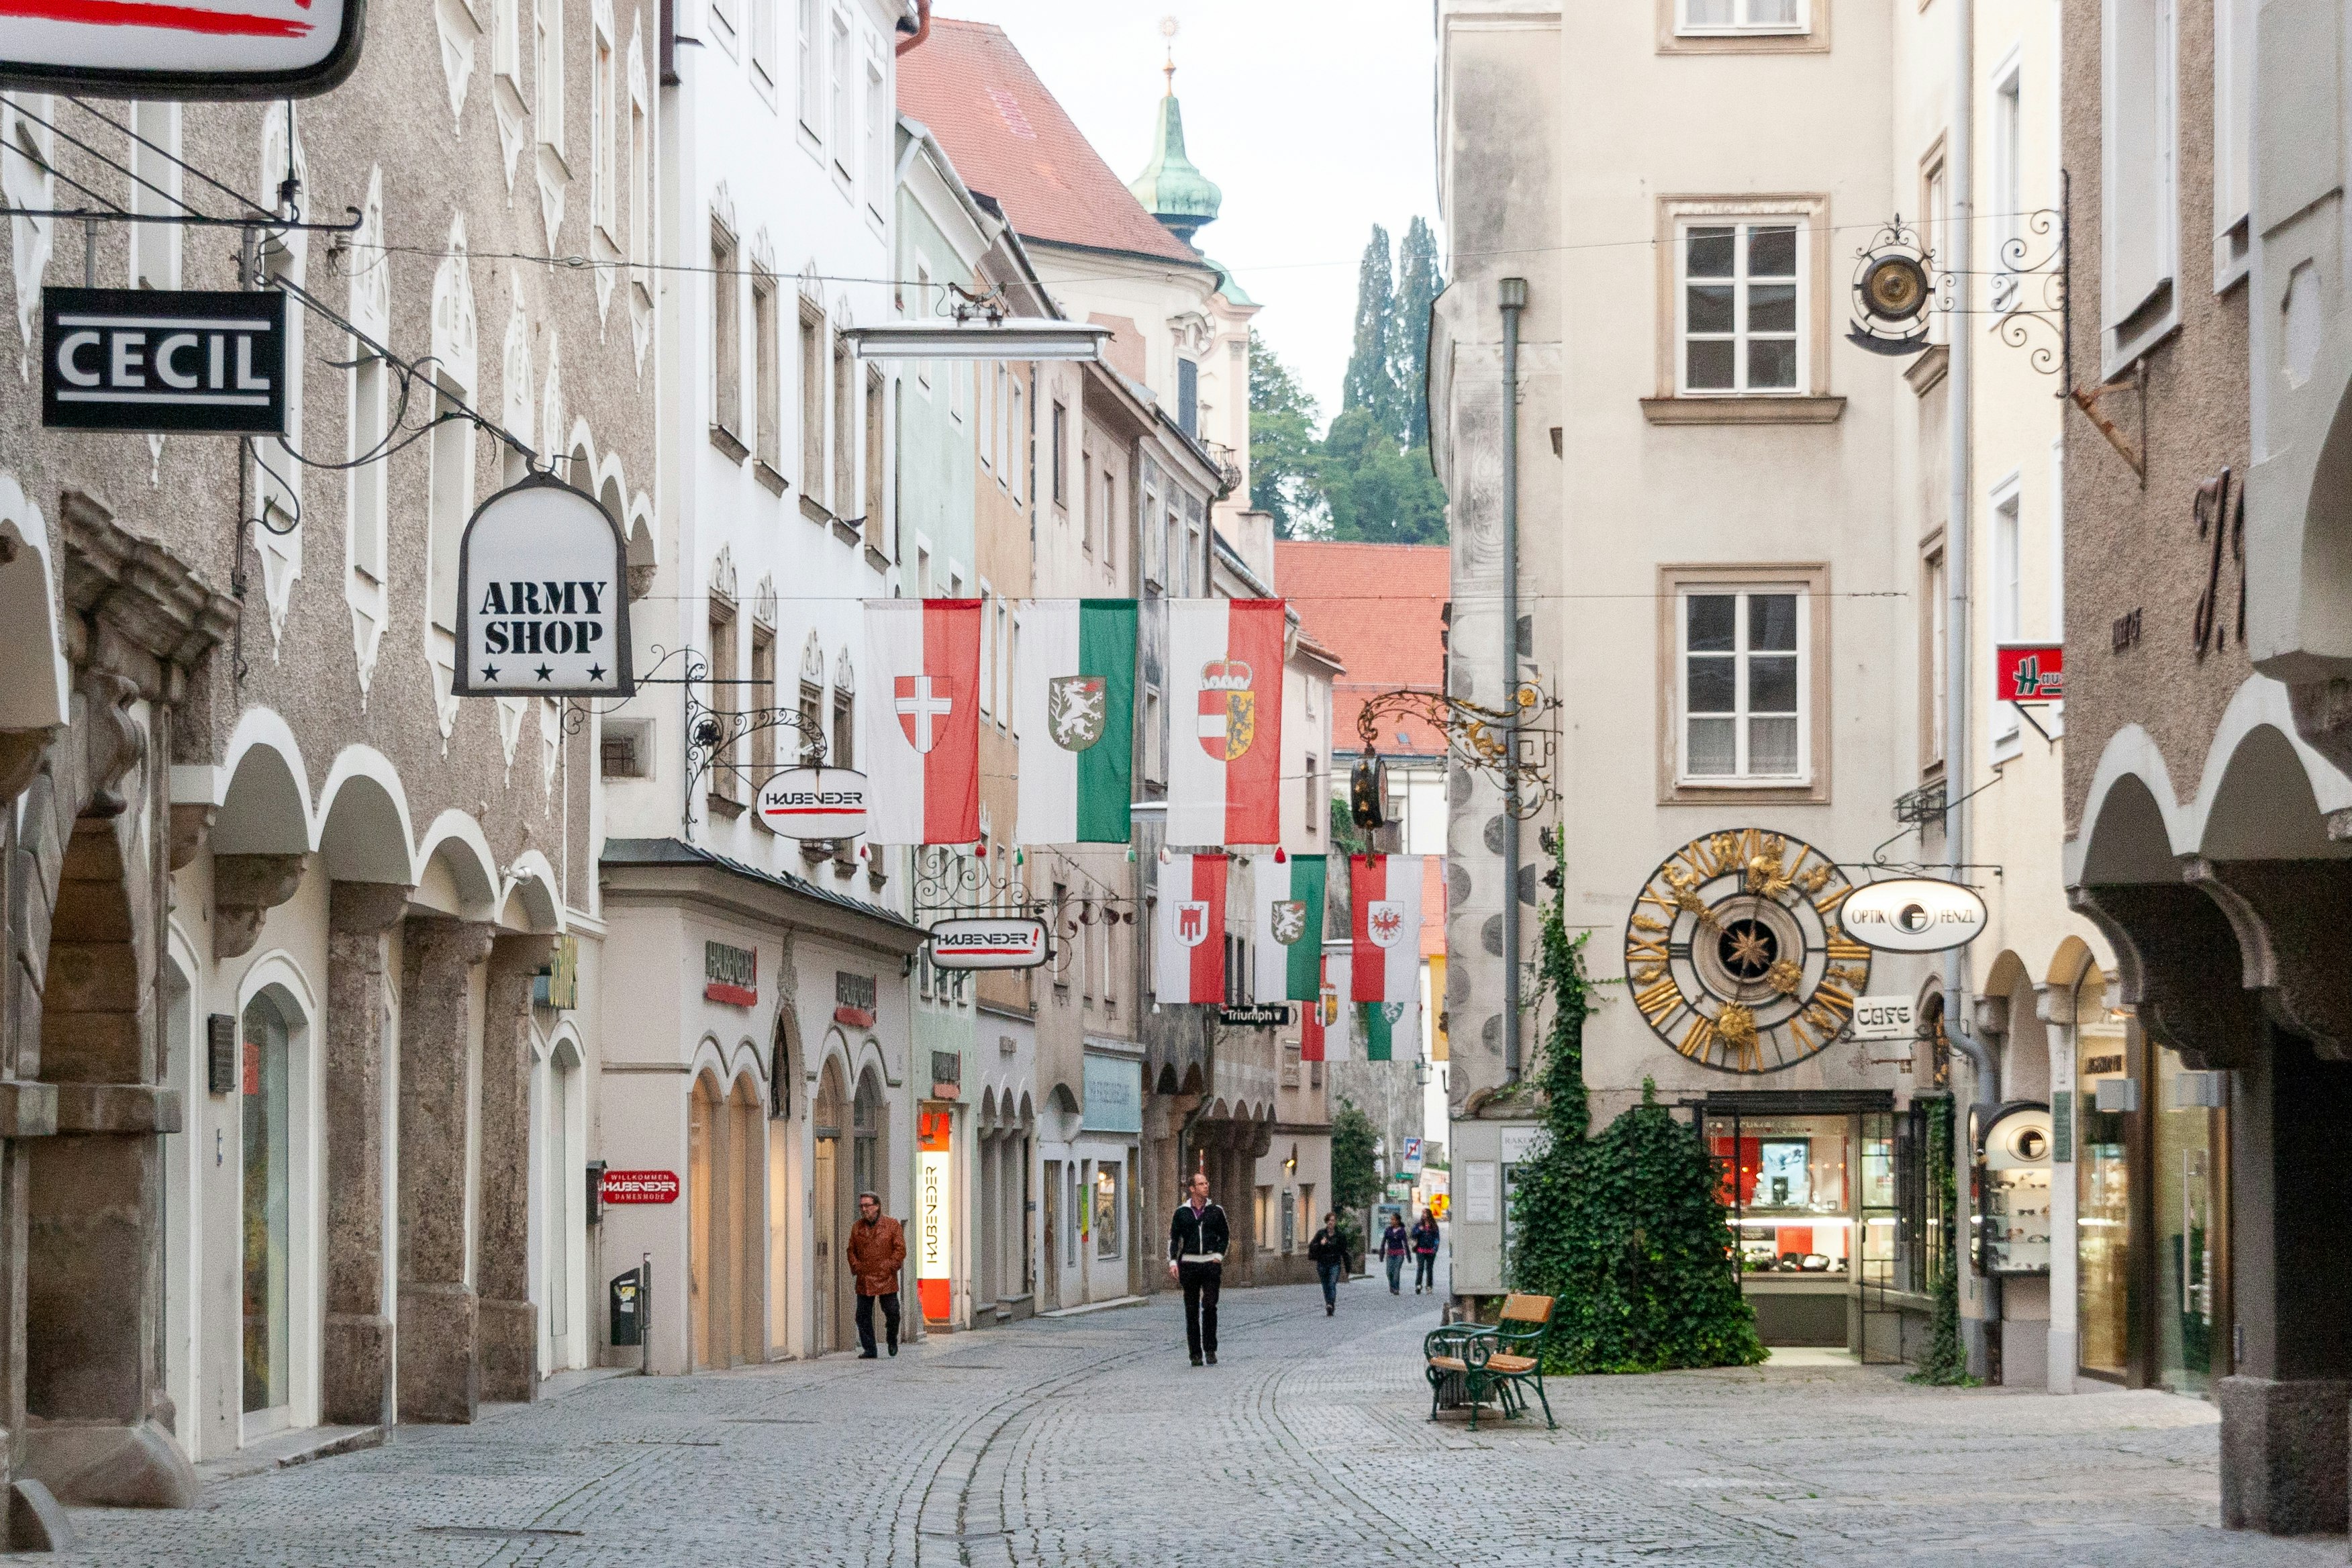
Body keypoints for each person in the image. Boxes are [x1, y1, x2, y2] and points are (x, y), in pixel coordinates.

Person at [1166, 1171, 1228, 1366]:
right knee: (1191, 1310)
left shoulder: (1216, 1211)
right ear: (1192, 1189)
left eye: (1206, 1183)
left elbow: (1225, 1236)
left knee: (1210, 1306)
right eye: (1201, 1184)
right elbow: (1174, 1239)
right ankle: (1195, 1353)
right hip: (1190, 1265)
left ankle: (1210, 1349)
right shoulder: (1182, 1213)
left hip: (1210, 1264)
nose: (1206, 1186)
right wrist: (1173, 1262)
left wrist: (1218, 1256)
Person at [844, 1191, 905, 1359]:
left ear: (877, 1206)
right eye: (862, 1206)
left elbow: (900, 1249)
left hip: (885, 1275)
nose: (864, 1209)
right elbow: (851, 1250)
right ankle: (870, 1349)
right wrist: (857, 1266)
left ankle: (891, 1338)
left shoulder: (892, 1225)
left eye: (867, 1206)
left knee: (893, 1312)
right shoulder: (857, 1227)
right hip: (865, 1275)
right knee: (863, 1315)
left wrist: (890, 1265)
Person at [1305, 1212, 1350, 1316]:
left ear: (1335, 1222)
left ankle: (1330, 1304)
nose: (1331, 1222)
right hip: (1322, 1263)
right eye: (1329, 1220)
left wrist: (1348, 1267)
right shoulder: (1321, 1234)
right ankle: (1329, 1303)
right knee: (1325, 1286)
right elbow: (1312, 1246)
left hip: (1335, 1263)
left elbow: (1344, 1251)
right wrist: (1321, 1244)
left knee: (1332, 1284)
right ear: (1326, 1221)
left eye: (1333, 1220)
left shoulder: (1340, 1235)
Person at [1411, 1209, 1441, 1295]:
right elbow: (1413, 1235)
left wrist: (1435, 1249)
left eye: (1425, 1213)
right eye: (1423, 1213)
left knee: (1429, 1269)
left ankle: (1429, 1286)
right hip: (1420, 1250)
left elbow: (1437, 1238)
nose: (1424, 1214)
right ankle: (1418, 1285)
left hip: (1431, 1251)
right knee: (1420, 1268)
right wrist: (1419, 1230)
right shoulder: (1419, 1225)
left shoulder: (1434, 1226)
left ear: (1429, 1214)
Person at [1379, 1214, 1411, 1295]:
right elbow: (1383, 1242)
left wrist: (1408, 1256)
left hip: (1399, 1254)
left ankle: (1396, 1288)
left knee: (1396, 1271)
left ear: (1398, 1221)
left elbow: (1405, 1243)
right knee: (1389, 1272)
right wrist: (1381, 1255)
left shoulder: (1402, 1231)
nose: (1391, 1221)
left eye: (1393, 1220)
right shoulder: (1388, 1230)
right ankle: (1392, 1286)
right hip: (1390, 1254)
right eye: (1391, 1220)